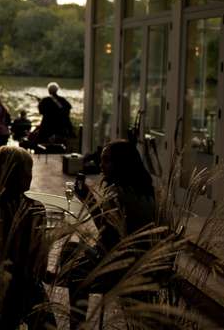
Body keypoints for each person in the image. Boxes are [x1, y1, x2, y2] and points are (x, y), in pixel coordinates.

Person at [65, 139, 156, 328]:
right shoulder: (145, 189)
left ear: (121, 164)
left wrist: (88, 201)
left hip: (121, 265)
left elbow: (109, 234)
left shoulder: (118, 193)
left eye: (106, 160)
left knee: (74, 269)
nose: (101, 165)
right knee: (74, 251)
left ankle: (77, 325)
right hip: (142, 259)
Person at [0, 146, 56, 329]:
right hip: (18, 290)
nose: (30, 176)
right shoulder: (35, 209)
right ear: (13, 174)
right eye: (26, 172)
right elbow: (38, 262)